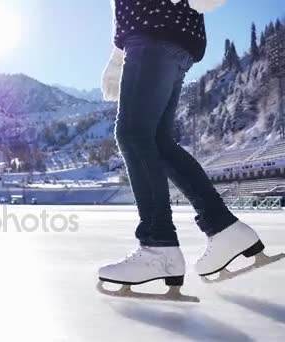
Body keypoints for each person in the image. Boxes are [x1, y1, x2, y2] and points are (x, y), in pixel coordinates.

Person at [98, 0, 268, 292]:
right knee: (158, 143)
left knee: (133, 135)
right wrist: (116, 60)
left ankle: (157, 245)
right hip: (166, 35)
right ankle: (225, 229)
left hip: (154, 33)